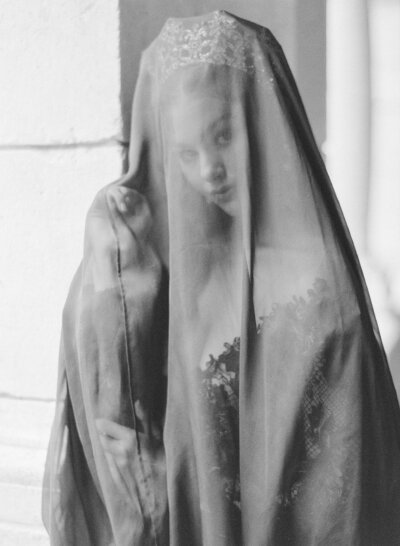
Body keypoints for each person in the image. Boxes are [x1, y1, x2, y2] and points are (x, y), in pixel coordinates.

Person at [42, 11, 400, 545]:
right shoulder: (182, 281)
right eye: (187, 152)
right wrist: (110, 247)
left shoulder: (325, 295)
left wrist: (171, 485)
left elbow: (334, 504)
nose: (209, 169)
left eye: (223, 135)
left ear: (258, 125)